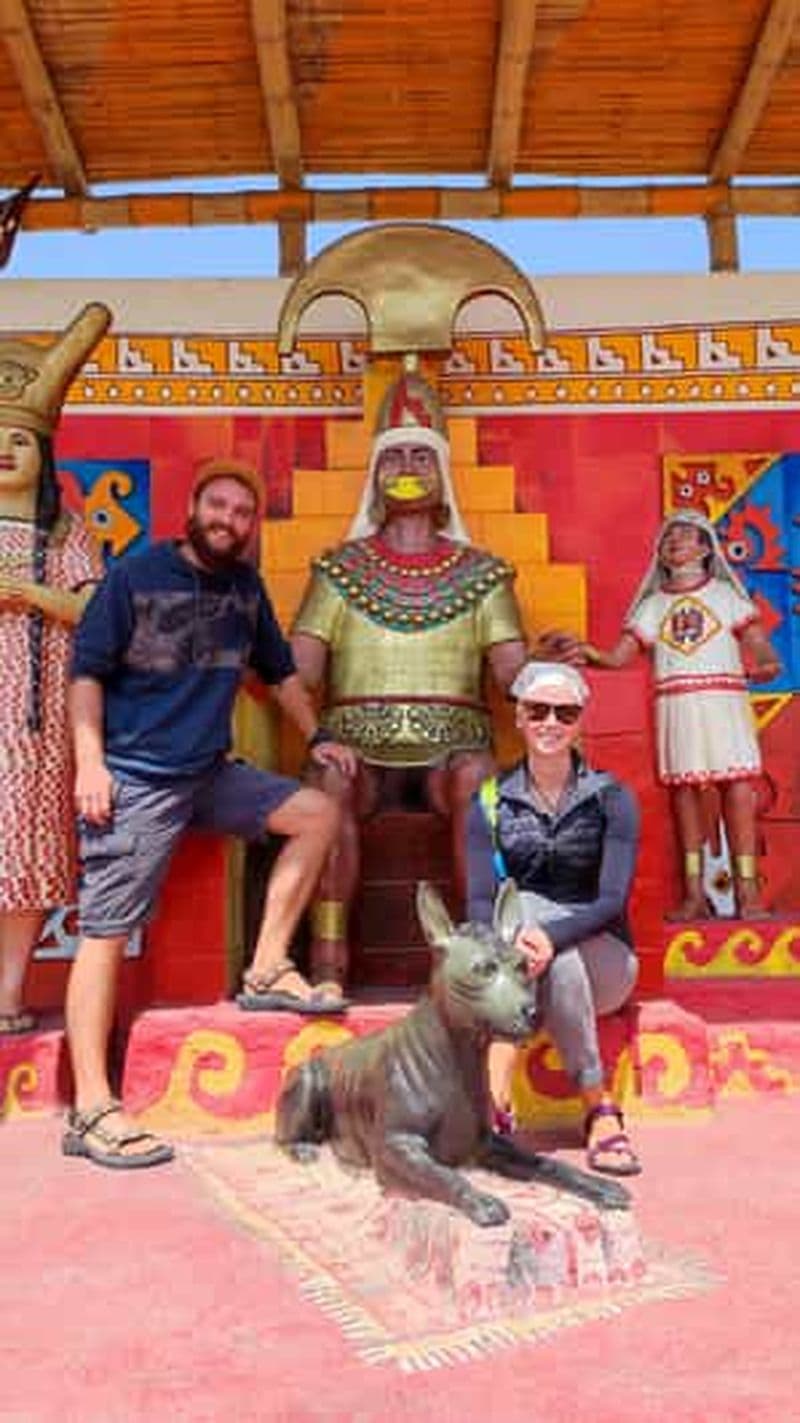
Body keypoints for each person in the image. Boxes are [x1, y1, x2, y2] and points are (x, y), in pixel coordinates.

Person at [63, 456, 357, 1170]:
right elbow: (86, 675)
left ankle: (264, 968)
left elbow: (280, 671)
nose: (228, 519)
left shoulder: (245, 589)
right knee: (104, 930)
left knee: (316, 814)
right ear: (193, 507)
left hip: (208, 773)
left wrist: (317, 734)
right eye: (217, 505)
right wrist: (92, 764)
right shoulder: (134, 576)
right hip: (135, 777)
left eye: (241, 511)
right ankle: (92, 1106)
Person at [291, 369, 528, 992]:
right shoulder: (338, 569)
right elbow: (303, 670)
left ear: (443, 472)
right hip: (355, 741)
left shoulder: (484, 573)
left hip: (455, 743)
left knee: (480, 782)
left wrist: (550, 670)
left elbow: (510, 675)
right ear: (374, 472)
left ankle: (480, 950)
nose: (407, 464)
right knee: (328, 780)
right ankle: (328, 960)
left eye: (421, 454)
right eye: (393, 454)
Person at [466, 661, 642, 1177]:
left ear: (579, 721)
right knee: (542, 943)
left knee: (549, 937)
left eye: (564, 713)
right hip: (522, 960)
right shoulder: (489, 802)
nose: (550, 722)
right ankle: (600, 1111)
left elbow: (612, 900)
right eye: (537, 710)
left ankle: (494, 1104)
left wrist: (547, 935)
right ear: (518, 717)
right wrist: (525, 943)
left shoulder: (612, 799)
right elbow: (479, 902)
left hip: (606, 962)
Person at [0, 304, 110, 1035]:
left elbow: (97, 611)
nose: (6, 451)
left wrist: (31, 594)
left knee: (25, 857)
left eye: (18, 439)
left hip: (39, 731)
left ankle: (7, 993)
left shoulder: (66, 531)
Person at [585, 511, 780, 919]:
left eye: (685, 535)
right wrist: (587, 653)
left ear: (706, 548)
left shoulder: (727, 596)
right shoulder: (653, 605)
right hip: (677, 705)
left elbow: (758, 642)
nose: (674, 541)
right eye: (669, 536)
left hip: (723, 700)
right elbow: (619, 655)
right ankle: (693, 893)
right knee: (684, 794)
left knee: (738, 789)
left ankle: (748, 892)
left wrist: (765, 660)